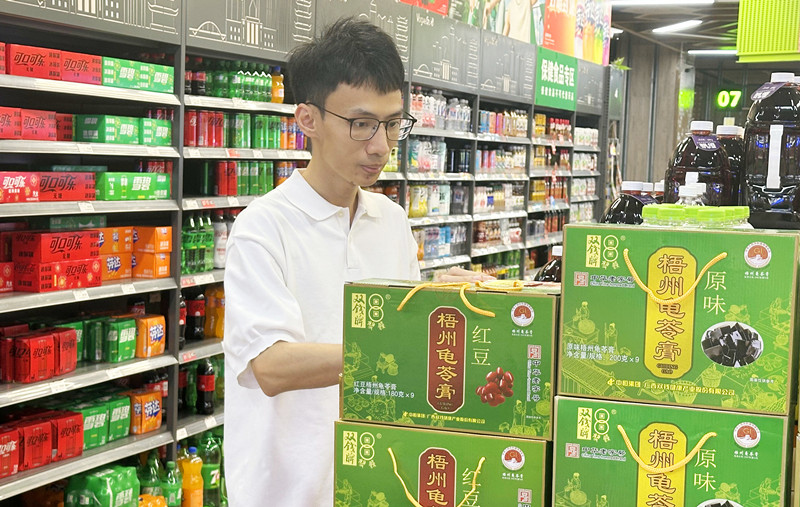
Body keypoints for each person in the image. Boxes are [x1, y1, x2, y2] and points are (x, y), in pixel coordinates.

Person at [223, 17, 491, 506]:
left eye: (392, 124)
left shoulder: (390, 220)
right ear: (308, 120)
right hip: (287, 493)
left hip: (377, 483)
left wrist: (447, 306)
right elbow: (271, 366)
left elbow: (405, 331)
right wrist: (399, 347)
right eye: (362, 124)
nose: (381, 146)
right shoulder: (263, 228)